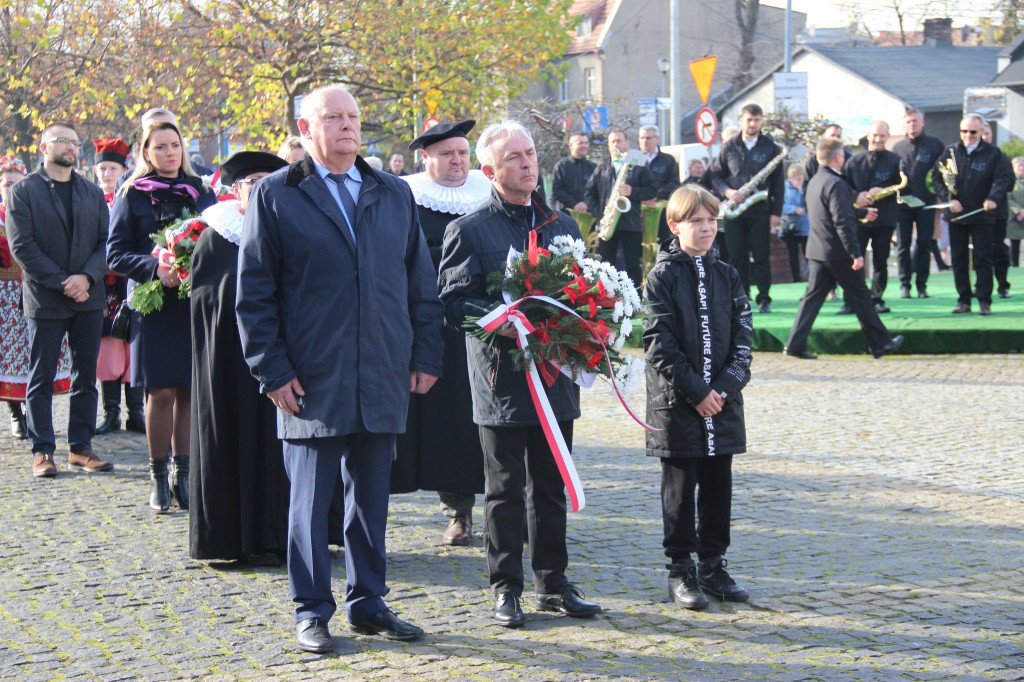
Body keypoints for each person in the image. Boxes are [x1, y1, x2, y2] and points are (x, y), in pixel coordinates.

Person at [236, 86, 443, 653]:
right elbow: (254, 295)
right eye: (334, 117)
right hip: (310, 374)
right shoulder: (277, 195)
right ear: (307, 128)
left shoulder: (391, 191)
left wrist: (426, 352)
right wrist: (271, 371)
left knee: (370, 498)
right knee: (308, 501)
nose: (348, 126)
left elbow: (419, 281)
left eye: (353, 116)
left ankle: (369, 602)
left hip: (382, 369)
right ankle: (311, 610)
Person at [439, 120, 602, 629]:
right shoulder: (467, 230)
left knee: (549, 485)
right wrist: (504, 325)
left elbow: (582, 293)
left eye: (530, 153)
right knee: (505, 488)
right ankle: (506, 587)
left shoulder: (563, 226)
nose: (527, 163)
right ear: (489, 170)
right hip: (501, 379)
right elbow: (453, 304)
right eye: (513, 157)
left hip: (555, 374)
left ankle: (553, 582)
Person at [190, 150, 348, 564]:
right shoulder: (216, 238)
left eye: (267, 181)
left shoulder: (296, 227)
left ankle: (302, 535)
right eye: (251, 184)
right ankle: (240, 539)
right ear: (234, 192)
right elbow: (214, 309)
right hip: (234, 371)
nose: (260, 191)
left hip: (296, 365)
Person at [643, 184, 752, 610]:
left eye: (712, 220)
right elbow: (658, 345)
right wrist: (698, 392)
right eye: (696, 221)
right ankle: (680, 568)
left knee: (718, 486)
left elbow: (743, 341)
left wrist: (721, 391)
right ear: (675, 225)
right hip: (679, 406)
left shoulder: (728, 274)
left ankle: (713, 564)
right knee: (680, 487)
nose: (706, 229)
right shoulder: (661, 277)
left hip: (721, 405)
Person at [108, 121, 217, 510]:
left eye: (175, 145)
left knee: (189, 388)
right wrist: (156, 268)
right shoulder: (131, 194)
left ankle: (181, 475)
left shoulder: (200, 190)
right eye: (161, 147)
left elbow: (217, 237)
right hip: (153, 301)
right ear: (146, 152)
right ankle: (156, 476)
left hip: (191, 299)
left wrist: (193, 265)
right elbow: (115, 253)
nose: (170, 153)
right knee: (161, 389)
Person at [394, 120, 488, 546]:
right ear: (426, 158)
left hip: (491, 323)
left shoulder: (489, 193)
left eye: (463, 153)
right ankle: (459, 512)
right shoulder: (407, 200)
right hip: (435, 326)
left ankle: (513, 510)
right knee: (451, 423)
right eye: (448, 153)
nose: (457, 161)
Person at [6, 123, 113, 478]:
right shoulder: (23, 192)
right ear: (43, 146)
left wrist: (85, 278)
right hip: (46, 297)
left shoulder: (92, 192)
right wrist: (63, 282)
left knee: (86, 376)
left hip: (89, 296)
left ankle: (80, 447)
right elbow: (23, 247)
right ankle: (42, 451)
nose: (71, 147)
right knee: (42, 375)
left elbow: (104, 243)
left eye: (75, 142)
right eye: (64, 141)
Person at [784, 138, 904, 360]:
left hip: (818, 249)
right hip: (838, 252)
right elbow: (841, 221)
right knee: (861, 296)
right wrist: (855, 253)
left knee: (812, 298)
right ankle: (880, 344)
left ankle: (794, 344)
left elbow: (827, 212)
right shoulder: (836, 183)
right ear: (838, 157)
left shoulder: (815, 181)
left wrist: (860, 214)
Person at [0, 156, 72, 440]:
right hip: (4, 297)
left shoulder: (36, 211)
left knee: (39, 354)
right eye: (7, 184)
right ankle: (16, 413)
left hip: (35, 290)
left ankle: (35, 413)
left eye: (17, 183)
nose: (12, 189)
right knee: (9, 356)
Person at [930, 114, 1014, 315]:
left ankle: (985, 301)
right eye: (964, 131)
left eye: (972, 132)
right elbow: (936, 177)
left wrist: (993, 197)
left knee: (983, 258)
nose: (967, 135)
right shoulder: (950, 152)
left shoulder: (993, 153)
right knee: (958, 260)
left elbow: (1004, 178)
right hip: (957, 216)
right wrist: (948, 198)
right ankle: (964, 301)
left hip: (983, 216)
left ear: (981, 132)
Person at [92, 138, 145, 435]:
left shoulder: (133, 196)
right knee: (109, 347)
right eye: (102, 168)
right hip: (103, 283)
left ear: (124, 168)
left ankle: (135, 412)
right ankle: (110, 411)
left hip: (131, 278)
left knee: (132, 343)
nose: (107, 173)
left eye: (112, 167)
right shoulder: (92, 200)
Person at [710, 103, 783, 314]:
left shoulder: (771, 147)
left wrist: (776, 213)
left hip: (760, 208)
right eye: (749, 120)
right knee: (736, 256)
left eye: (757, 120)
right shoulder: (729, 146)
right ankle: (741, 295)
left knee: (761, 255)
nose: (753, 124)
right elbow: (715, 175)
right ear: (741, 120)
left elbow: (778, 182)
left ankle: (764, 298)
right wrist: (728, 191)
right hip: (735, 209)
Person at [838, 120, 901, 314]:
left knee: (881, 261)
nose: (878, 139)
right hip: (859, 218)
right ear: (868, 135)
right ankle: (850, 301)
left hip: (884, 218)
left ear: (887, 137)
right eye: (875, 135)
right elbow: (843, 186)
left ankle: (876, 299)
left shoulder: (895, 160)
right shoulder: (854, 161)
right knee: (854, 260)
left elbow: (904, 186)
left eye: (882, 136)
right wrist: (860, 195)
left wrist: (882, 191)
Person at [585, 129, 655, 287]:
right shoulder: (601, 168)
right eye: (612, 141)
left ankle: (635, 299)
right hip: (607, 224)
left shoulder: (638, 164)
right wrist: (600, 214)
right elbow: (588, 193)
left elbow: (652, 189)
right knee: (604, 265)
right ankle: (606, 299)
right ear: (608, 145)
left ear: (627, 143)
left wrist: (633, 191)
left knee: (633, 266)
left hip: (632, 225)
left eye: (619, 141)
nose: (616, 144)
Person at [892, 109, 946, 299]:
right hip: (903, 205)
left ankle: (921, 285)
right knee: (903, 246)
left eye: (915, 121)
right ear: (904, 124)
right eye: (908, 122)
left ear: (922, 123)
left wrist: (943, 196)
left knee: (924, 244)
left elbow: (945, 172)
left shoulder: (935, 145)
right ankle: (904, 285)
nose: (911, 125)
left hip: (927, 204)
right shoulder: (897, 148)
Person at [981, 121, 1013, 299]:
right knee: (981, 252)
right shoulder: (968, 157)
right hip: (978, 213)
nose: (984, 137)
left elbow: (1009, 182)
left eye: (987, 133)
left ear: (991, 135)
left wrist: (993, 195)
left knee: (999, 249)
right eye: (982, 133)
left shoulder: (1001, 156)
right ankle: (982, 287)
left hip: (998, 213)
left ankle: (1002, 285)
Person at [639, 125, 680, 243]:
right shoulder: (633, 158)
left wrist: (655, 196)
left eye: (648, 138)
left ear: (657, 139)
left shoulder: (668, 159)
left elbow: (674, 183)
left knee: (663, 242)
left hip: (661, 211)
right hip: (637, 212)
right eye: (641, 138)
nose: (644, 141)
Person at [550, 132, 595, 213]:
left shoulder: (594, 168)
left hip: (588, 215)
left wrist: (586, 204)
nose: (584, 146)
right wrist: (574, 204)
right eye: (580, 143)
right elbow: (557, 191)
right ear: (570, 145)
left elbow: (597, 191)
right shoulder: (561, 166)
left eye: (586, 143)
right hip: (566, 216)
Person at [780, 164, 809, 282]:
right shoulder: (785, 189)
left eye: (801, 175)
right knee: (793, 255)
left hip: (806, 226)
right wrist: (794, 209)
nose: (799, 177)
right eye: (796, 175)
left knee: (808, 255)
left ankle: (810, 278)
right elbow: (779, 206)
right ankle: (796, 279)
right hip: (791, 226)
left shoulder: (807, 187)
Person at [1006, 156, 1024, 268]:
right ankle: (1014, 265)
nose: (1021, 168)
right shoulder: (1010, 181)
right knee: (1015, 243)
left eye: (1023, 165)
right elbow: (1008, 197)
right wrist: (1019, 211)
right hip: (1014, 217)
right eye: (1019, 166)